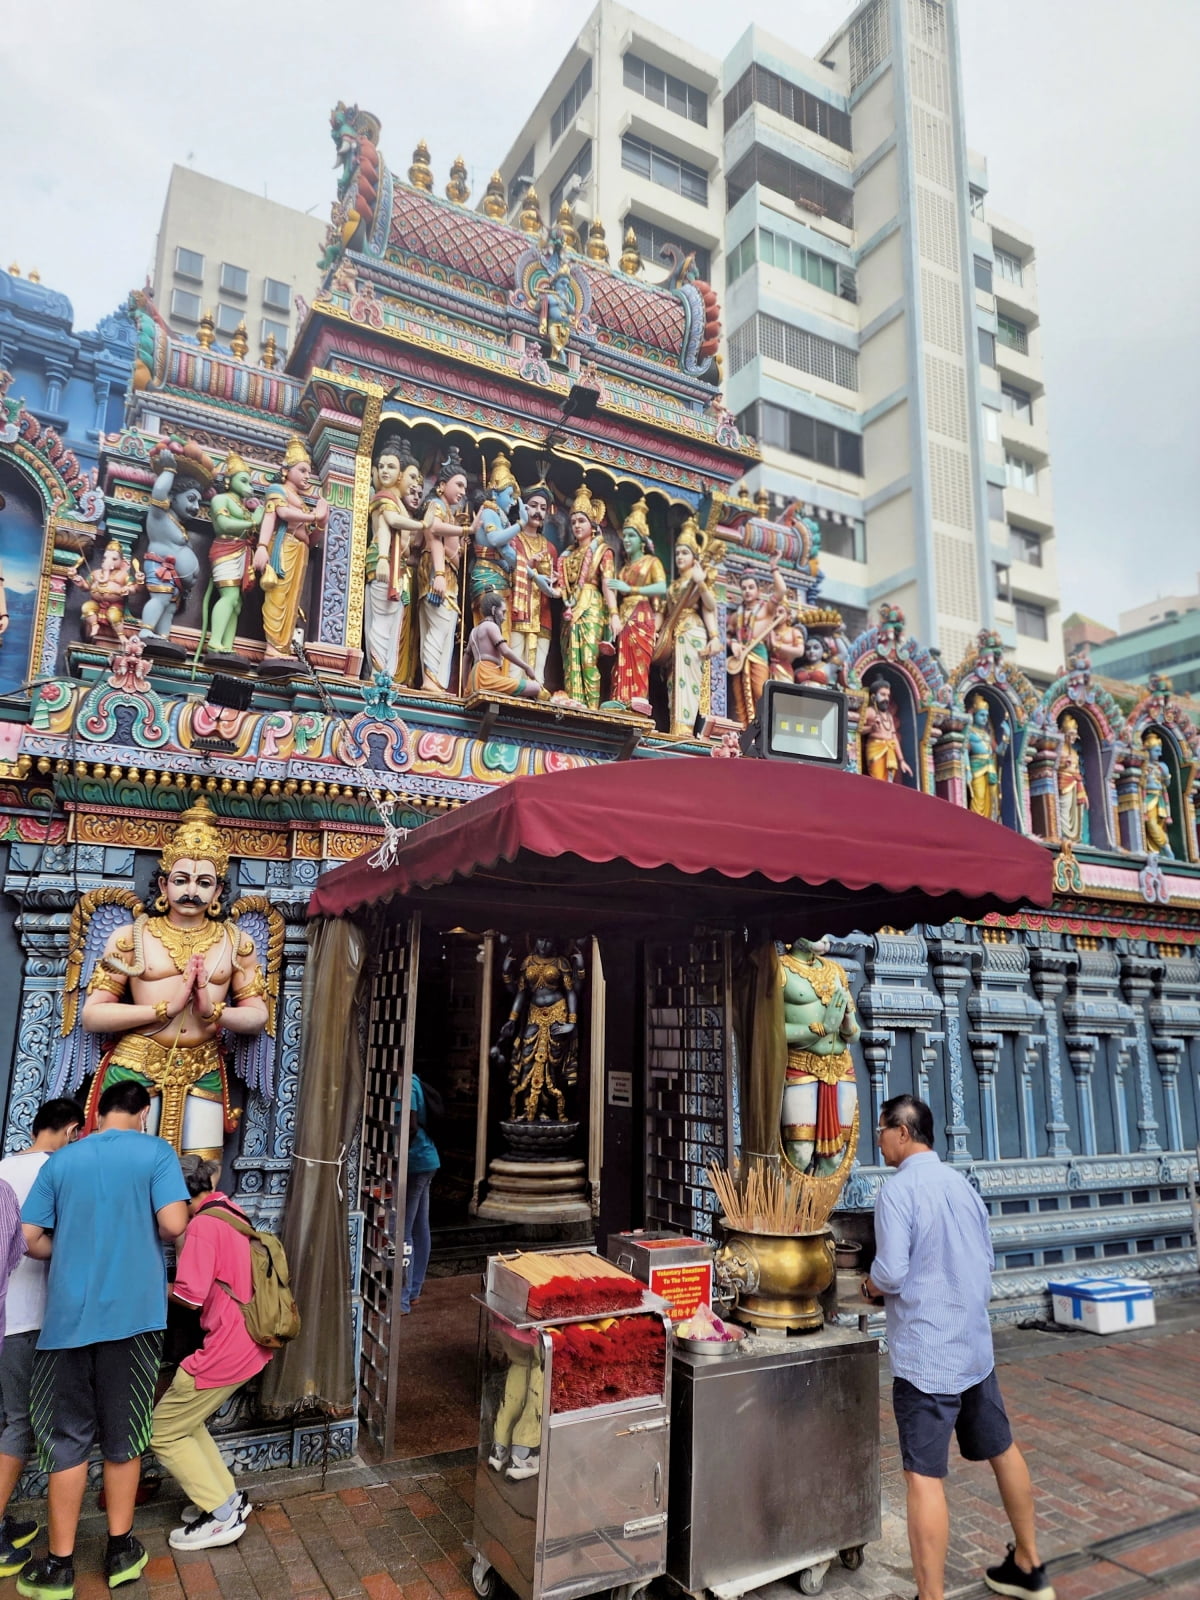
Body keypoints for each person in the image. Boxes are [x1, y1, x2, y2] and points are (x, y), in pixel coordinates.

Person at [862, 1096, 1054, 1600]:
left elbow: (892, 1272)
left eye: (882, 1130)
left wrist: (869, 1288)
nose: (877, 1140)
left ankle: (931, 1597)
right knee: (1001, 1448)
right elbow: (985, 1256)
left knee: (923, 1475)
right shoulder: (961, 1184)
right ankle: (1029, 1563)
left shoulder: (897, 1192)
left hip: (927, 1355)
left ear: (903, 1133)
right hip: (973, 1347)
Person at [18, 1080, 189, 1599]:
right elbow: (173, 1223)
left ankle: (59, 1566)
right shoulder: (156, 1151)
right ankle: (120, 1552)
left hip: (66, 1322)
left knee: (66, 1440)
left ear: (97, 1114)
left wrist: (68, 1248)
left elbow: (29, 1238)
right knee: (124, 1435)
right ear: (142, 1113)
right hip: (134, 1320)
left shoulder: (62, 1161)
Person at [150, 1157, 271, 1551]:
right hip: (249, 1338)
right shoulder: (227, 1207)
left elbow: (189, 1296)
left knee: (163, 1431)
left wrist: (149, 1285)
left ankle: (220, 1515)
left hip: (224, 1348)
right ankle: (226, 1499)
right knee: (187, 1419)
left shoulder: (201, 1226)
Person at [0, 1099, 83, 1579]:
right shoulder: (53, 1174)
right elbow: (39, 1240)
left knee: (7, 1418)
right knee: (20, 1424)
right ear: (72, 1131)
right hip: (26, 1318)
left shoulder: (5, 1167)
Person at [402, 1077, 440, 1315]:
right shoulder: (415, 1081)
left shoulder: (405, 1085)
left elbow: (410, 1125)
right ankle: (414, 1290)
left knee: (403, 1231)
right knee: (419, 1226)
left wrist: (396, 1157)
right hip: (428, 1158)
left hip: (414, 1162)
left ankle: (402, 1299)